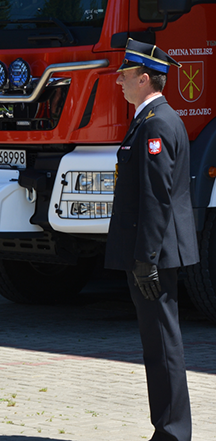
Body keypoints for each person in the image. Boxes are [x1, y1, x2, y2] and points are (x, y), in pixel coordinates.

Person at [106, 38, 199, 441]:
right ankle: (167, 429)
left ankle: (173, 433)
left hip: (154, 253)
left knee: (162, 345)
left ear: (144, 79)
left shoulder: (157, 122)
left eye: (125, 75)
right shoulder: (150, 119)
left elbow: (157, 196)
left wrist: (146, 257)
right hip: (152, 250)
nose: (119, 81)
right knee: (157, 345)